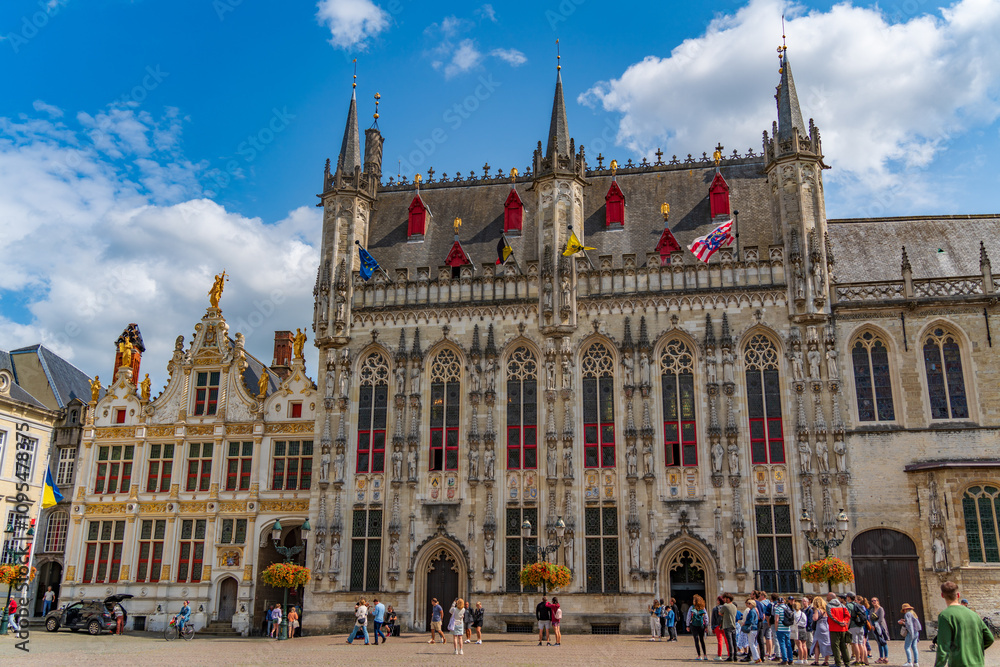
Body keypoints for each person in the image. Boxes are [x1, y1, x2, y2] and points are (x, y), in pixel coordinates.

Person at [934, 581, 994, 667]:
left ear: (942, 595)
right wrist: (974, 650)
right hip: (978, 663)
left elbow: (943, 647)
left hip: (959, 663)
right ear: (958, 595)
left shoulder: (945, 615)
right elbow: (990, 638)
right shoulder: (974, 615)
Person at [828, 595, 852, 667]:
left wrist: (839, 622)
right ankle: (847, 663)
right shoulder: (842, 606)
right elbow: (848, 615)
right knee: (843, 646)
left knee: (835, 646)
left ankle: (838, 663)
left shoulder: (829, 606)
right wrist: (844, 622)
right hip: (843, 628)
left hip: (834, 628)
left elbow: (831, 616)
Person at [812, 597, 833, 666]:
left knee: (817, 644)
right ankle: (826, 661)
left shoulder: (817, 610)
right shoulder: (826, 610)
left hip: (820, 626)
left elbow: (815, 618)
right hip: (826, 626)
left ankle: (816, 661)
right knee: (826, 643)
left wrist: (813, 616)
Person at [688, 594, 709, 660]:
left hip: (694, 625)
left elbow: (688, 617)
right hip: (701, 625)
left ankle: (699, 656)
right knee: (702, 640)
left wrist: (687, 625)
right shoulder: (703, 607)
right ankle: (705, 655)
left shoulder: (692, 607)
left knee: (696, 640)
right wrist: (706, 625)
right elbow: (706, 617)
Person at [773, 596, 793, 665]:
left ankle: (784, 660)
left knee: (782, 644)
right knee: (788, 644)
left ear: (778, 602)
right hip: (788, 628)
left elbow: (776, 620)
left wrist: (776, 628)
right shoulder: (787, 607)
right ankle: (791, 659)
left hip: (780, 629)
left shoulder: (778, 609)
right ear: (783, 601)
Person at [870, 598, 889, 664]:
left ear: (878, 601)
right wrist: (872, 625)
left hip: (881, 627)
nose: (873, 602)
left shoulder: (881, 609)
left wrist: (875, 625)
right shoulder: (872, 610)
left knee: (883, 641)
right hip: (874, 627)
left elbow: (881, 619)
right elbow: (870, 618)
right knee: (879, 642)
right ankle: (881, 657)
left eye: (875, 600)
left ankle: (886, 657)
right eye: (872, 601)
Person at [743, 598, 761, 663]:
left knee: (751, 644)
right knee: (752, 644)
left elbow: (750, 620)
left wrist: (745, 623)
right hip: (754, 628)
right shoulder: (753, 611)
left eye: (749, 603)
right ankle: (757, 658)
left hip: (752, 628)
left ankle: (756, 659)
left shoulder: (752, 611)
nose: (747, 605)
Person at [722, 594, 739, 661]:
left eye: (724, 598)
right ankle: (735, 656)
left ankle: (731, 656)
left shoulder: (725, 606)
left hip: (727, 625)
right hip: (733, 625)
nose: (723, 600)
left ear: (728, 599)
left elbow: (720, 613)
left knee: (730, 642)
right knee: (734, 642)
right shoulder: (734, 606)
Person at [793, 600, 809, 665]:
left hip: (797, 629)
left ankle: (800, 659)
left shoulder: (794, 614)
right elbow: (805, 621)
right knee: (804, 645)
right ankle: (805, 659)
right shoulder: (803, 613)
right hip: (803, 628)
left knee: (799, 645)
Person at [713, 596, 728, 660]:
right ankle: (729, 654)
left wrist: (713, 627)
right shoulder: (726, 608)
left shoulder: (715, 609)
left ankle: (719, 655)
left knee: (720, 641)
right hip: (725, 626)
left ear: (719, 601)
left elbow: (713, 619)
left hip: (718, 626)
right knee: (727, 641)